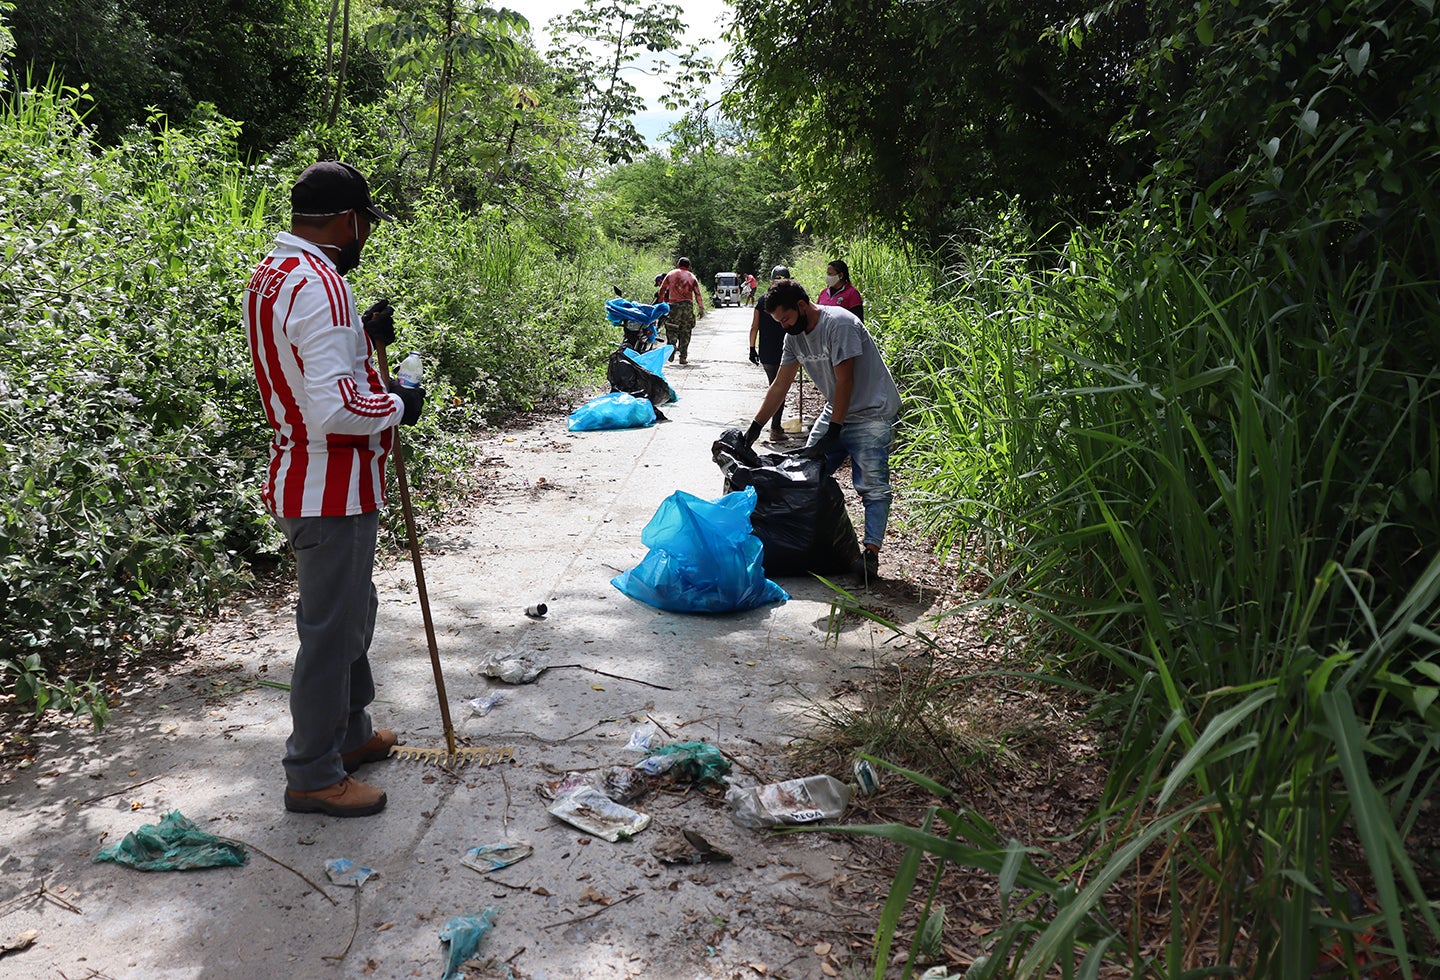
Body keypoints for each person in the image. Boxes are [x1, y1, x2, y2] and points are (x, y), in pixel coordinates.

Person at [243, 161, 426, 818]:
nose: (363, 239)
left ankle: (348, 735)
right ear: (348, 222)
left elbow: (312, 368)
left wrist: (364, 342)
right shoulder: (320, 286)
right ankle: (312, 772)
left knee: (353, 613)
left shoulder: (274, 274)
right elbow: (334, 410)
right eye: (363, 227)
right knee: (329, 630)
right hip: (329, 486)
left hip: (312, 478)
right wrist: (401, 403)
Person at [741, 278, 900, 579]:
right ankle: (812, 543)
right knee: (805, 472)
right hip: (835, 410)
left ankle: (871, 553)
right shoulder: (794, 338)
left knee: (872, 486)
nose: (784, 326)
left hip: (871, 411)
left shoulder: (839, 324)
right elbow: (779, 386)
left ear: (801, 306)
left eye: (786, 318)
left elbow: (846, 381)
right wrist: (755, 428)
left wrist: (834, 430)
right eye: (778, 322)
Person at [746, 265, 793, 442]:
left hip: (767, 352)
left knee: (775, 386)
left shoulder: (762, 300)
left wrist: (752, 348)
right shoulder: (791, 303)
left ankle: (776, 426)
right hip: (785, 352)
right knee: (780, 389)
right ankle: (775, 428)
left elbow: (754, 327)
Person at [659, 256, 705, 364]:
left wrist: (660, 304)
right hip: (688, 306)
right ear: (688, 266)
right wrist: (701, 307)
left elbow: (662, 289)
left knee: (672, 328)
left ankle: (671, 350)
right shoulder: (692, 277)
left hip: (674, 305)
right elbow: (698, 294)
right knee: (686, 331)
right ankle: (683, 357)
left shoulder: (671, 274)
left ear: (678, 265)